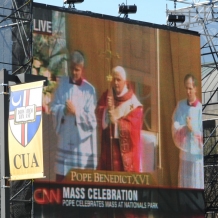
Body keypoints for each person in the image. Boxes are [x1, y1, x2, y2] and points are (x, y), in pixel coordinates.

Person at [50, 51, 98, 181]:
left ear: (82, 69)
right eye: (72, 68)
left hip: (80, 145)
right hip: (65, 139)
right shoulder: (62, 85)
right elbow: (53, 108)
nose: (74, 72)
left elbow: (92, 121)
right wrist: (63, 111)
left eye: (77, 70)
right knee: (62, 181)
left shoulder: (89, 90)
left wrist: (76, 113)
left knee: (78, 181)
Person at [97, 66, 143, 172]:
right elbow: (97, 111)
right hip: (108, 150)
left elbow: (134, 129)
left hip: (124, 156)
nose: (116, 83)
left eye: (119, 80)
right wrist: (106, 111)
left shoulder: (133, 103)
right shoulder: (107, 95)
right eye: (114, 79)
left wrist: (117, 124)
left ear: (125, 82)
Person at [172, 74, 203, 189]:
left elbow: (205, 134)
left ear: (195, 89)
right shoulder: (180, 106)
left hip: (196, 156)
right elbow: (175, 124)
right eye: (186, 88)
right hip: (185, 154)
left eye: (190, 88)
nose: (188, 91)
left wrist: (193, 130)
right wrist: (183, 128)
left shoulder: (200, 108)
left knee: (195, 186)